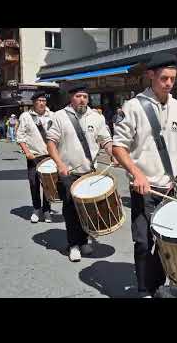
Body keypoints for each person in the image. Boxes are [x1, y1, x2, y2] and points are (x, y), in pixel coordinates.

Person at [112, 52, 177, 298]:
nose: (169, 83)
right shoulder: (133, 107)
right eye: (164, 78)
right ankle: (146, 289)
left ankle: (160, 283)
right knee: (145, 242)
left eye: (172, 79)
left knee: (168, 241)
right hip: (144, 189)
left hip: (170, 188)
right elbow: (118, 146)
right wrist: (137, 173)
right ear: (150, 76)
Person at [46, 85, 116, 262]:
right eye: (78, 96)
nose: (82, 99)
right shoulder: (60, 116)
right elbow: (51, 143)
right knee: (71, 209)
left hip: (89, 172)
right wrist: (59, 164)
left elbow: (105, 140)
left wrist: (113, 153)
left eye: (85, 96)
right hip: (68, 172)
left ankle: (84, 240)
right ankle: (73, 245)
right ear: (71, 97)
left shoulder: (96, 117)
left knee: (86, 209)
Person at [17, 91, 55, 223]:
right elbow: (20, 137)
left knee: (48, 185)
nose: (42, 103)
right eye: (39, 101)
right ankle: (36, 209)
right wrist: (27, 152)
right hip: (34, 156)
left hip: (49, 156)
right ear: (34, 102)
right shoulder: (26, 116)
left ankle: (46, 210)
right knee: (34, 183)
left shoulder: (52, 115)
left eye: (44, 100)